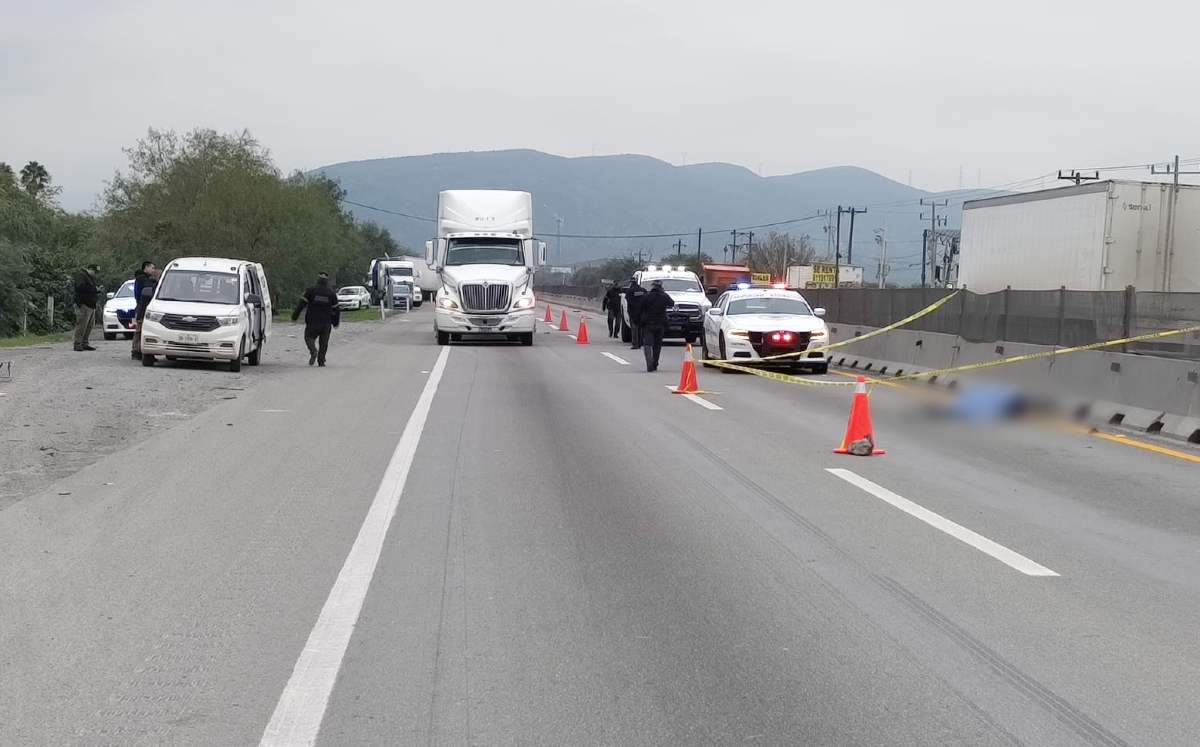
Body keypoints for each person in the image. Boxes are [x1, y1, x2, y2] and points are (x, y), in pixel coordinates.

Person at [291, 272, 341, 367]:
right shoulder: (331, 293)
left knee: (308, 338)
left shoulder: (310, 291)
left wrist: (294, 316)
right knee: (323, 343)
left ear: (317, 280)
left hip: (312, 321)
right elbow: (336, 309)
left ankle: (313, 351)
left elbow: (301, 304)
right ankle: (321, 361)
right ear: (326, 281)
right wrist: (335, 322)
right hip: (326, 322)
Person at [638, 279, 675, 372]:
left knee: (647, 344)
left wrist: (640, 320)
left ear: (652, 286)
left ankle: (649, 363)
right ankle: (655, 363)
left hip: (648, 324)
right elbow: (672, 303)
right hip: (660, 324)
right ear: (661, 287)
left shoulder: (646, 296)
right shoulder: (664, 296)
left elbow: (640, 308)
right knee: (657, 345)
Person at [130, 261, 159, 360]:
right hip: (142, 307)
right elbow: (143, 293)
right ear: (146, 267)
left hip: (145, 306)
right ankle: (136, 351)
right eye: (152, 267)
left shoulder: (145, 279)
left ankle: (145, 351)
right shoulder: (142, 279)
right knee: (139, 330)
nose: (153, 270)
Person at [72, 264, 100, 351]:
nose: (96, 274)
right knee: (82, 325)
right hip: (84, 304)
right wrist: (94, 289)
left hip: (91, 305)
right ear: (90, 269)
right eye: (95, 272)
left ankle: (85, 342)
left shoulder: (90, 278)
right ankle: (77, 343)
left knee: (89, 325)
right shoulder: (81, 276)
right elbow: (80, 287)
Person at [624, 277, 646, 350]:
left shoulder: (629, 291)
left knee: (634, 329)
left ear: (631, 282)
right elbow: (646, 299)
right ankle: (640, 343)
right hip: (642, 311)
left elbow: (628, 300)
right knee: (641, 328)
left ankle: (635, 344)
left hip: (633, 312)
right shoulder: (643, 290)